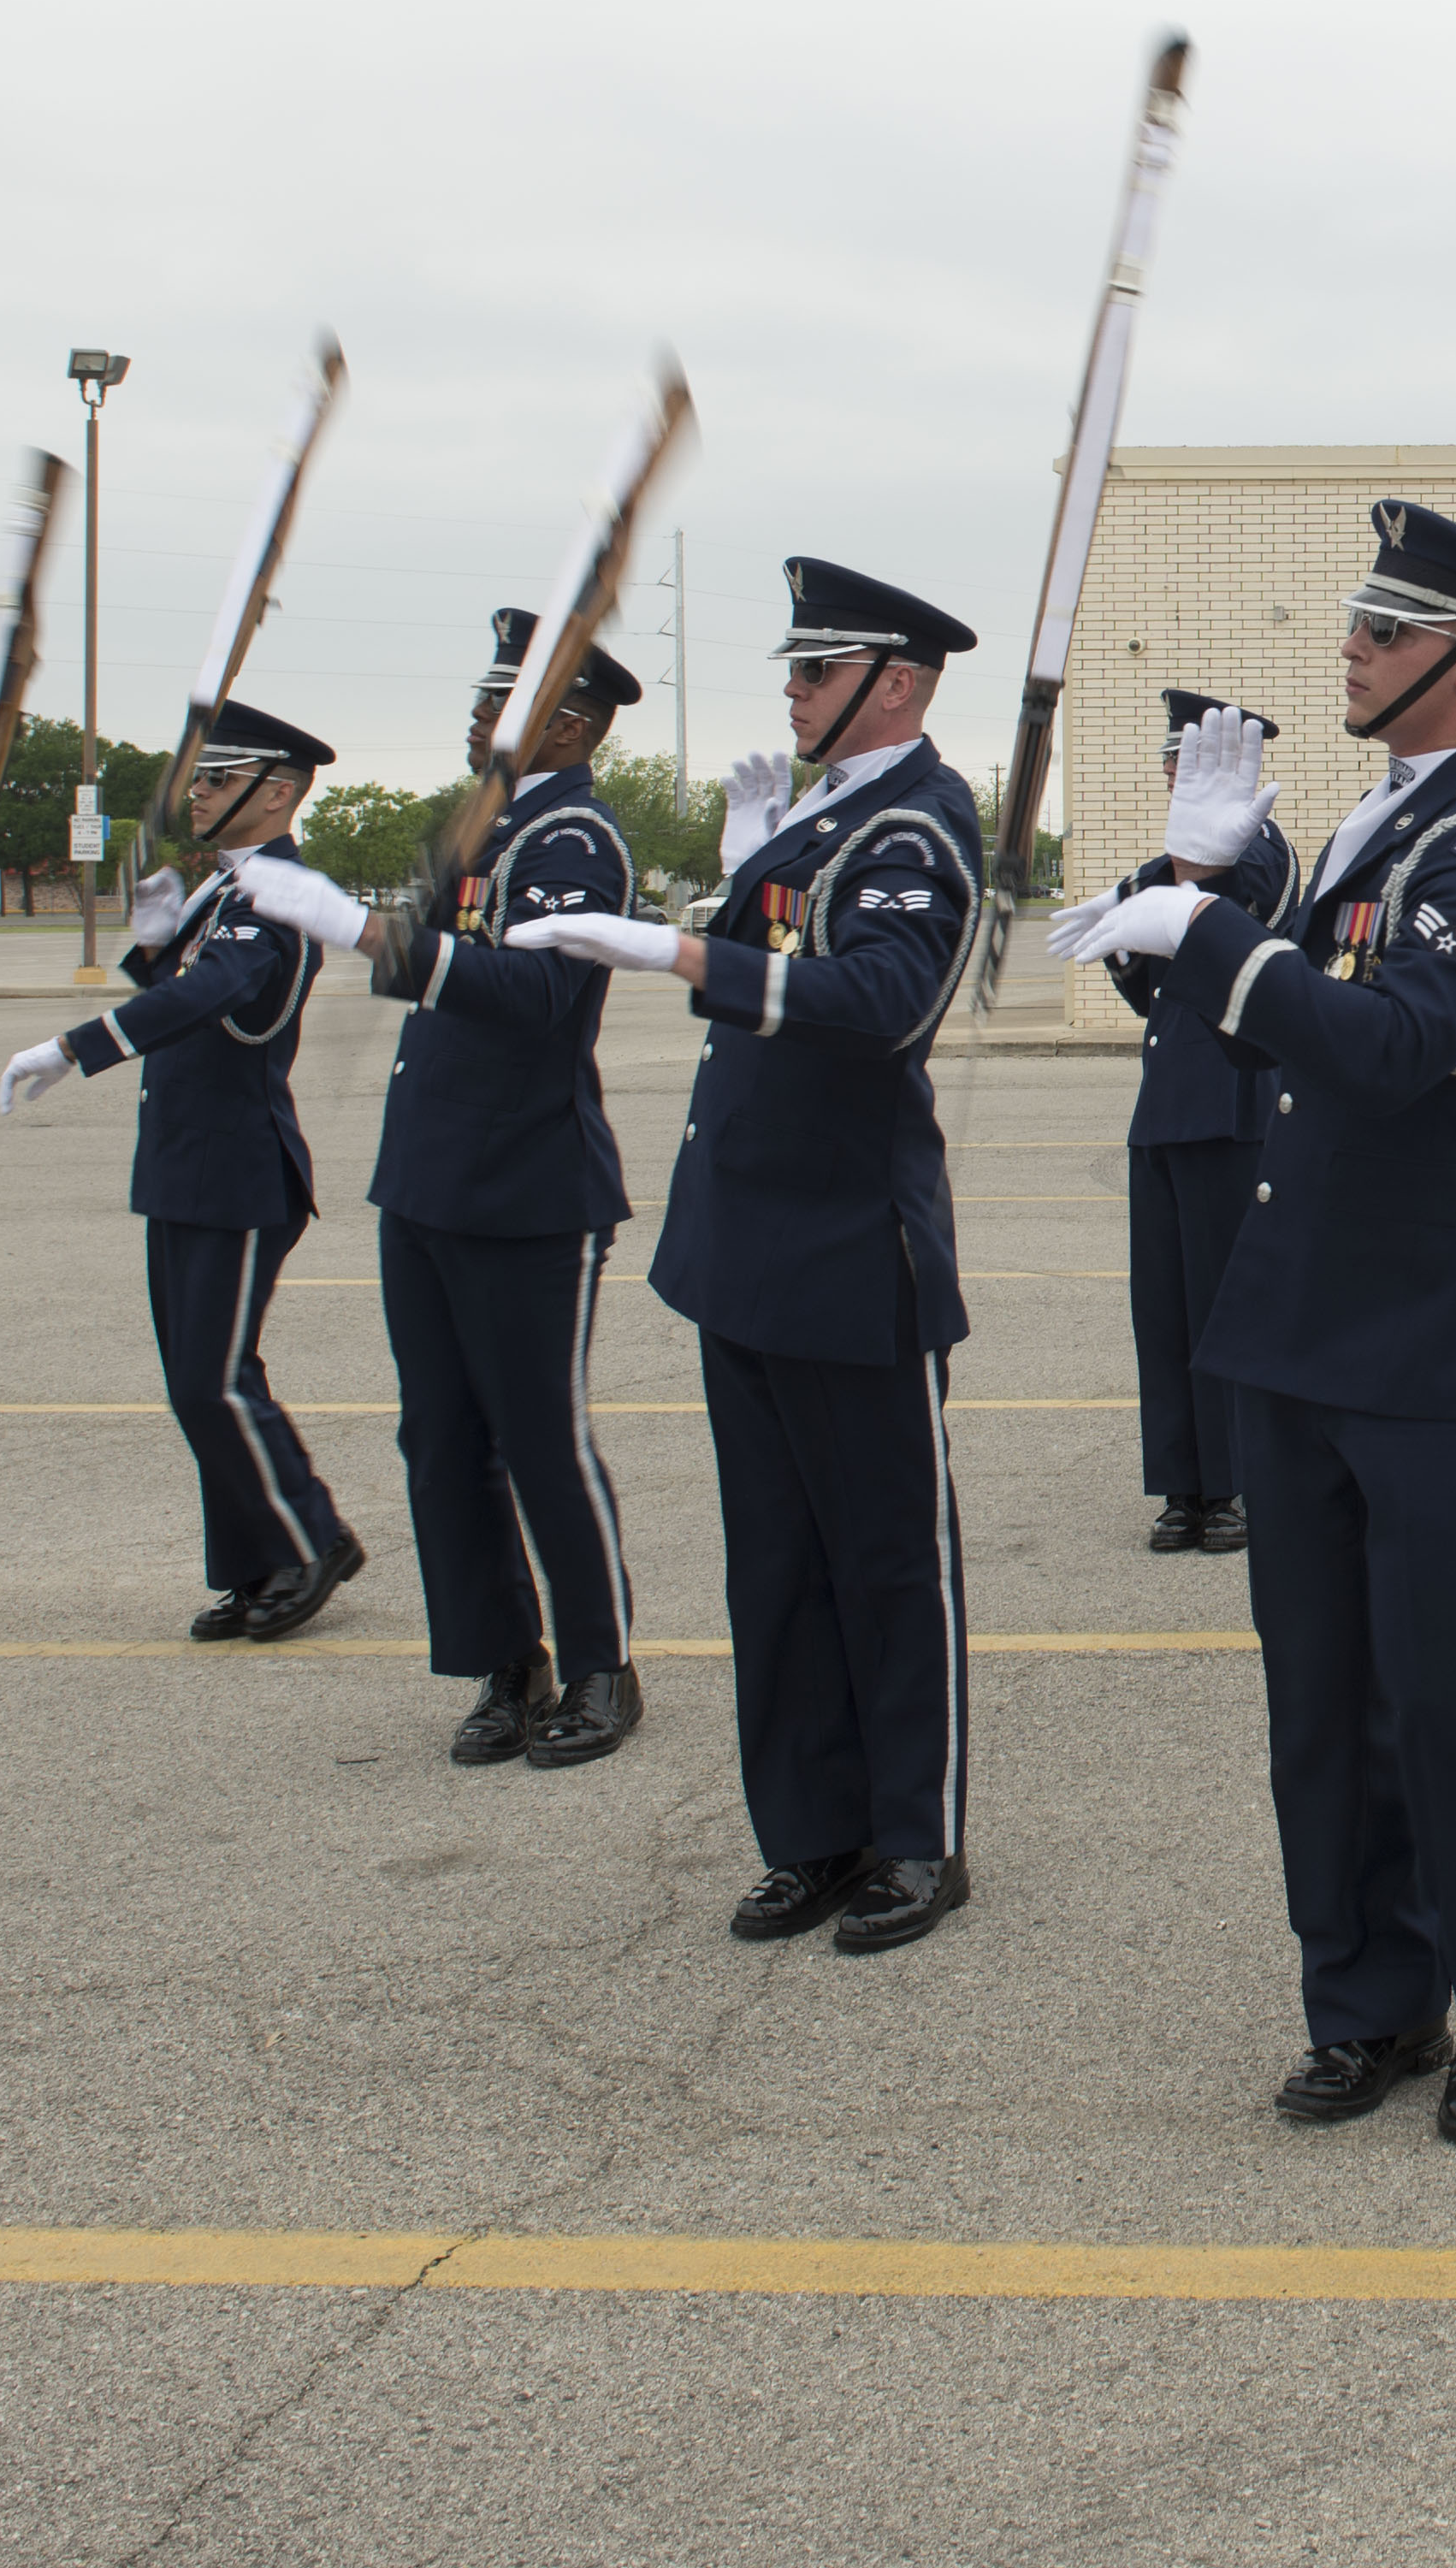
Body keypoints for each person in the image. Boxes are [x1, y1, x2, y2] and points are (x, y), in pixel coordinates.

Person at [1050, 500, 1456, 2145]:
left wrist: (1213, 934)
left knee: (1450, 1701)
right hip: (1295, 1335)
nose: (1345, 653)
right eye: (1355, 626)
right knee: (1317, 1704)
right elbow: (1246, 1020)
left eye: (1379, 632)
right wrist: (1187, 890)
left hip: (1433, 1348)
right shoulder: (1370, 825)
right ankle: (1362, 2001)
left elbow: (1397, 1045)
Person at [509, 557, 987, 1953]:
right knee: (773, 1565)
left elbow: (883, 1000)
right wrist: (732, 900)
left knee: (887, 1563)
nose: (790, 690)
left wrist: (683, 952)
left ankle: (917, 1833)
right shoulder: (816, 821)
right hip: (748, 1241)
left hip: (848, 1245)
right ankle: (812, 1831)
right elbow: (772, 960)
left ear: (890, 684)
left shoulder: (918, 824)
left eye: (815, 670)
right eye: (793, 668)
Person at [230, 610, 648, 1767]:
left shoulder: (573, 838)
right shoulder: (483, 827)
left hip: (526, 1184)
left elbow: (535, 996)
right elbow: (416, 978)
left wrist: (373, 932)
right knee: (441, 1438)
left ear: (566, 724)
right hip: (428, 1173)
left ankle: (601, 1662)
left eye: (501, 700)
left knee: (541, 1437)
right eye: (481, 694)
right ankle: (501, 1662)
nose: (475, 713)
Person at [0, 704, 363, 1642]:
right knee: (195, 1379)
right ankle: (251, 1564)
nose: (196, 791)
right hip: (188, 1163)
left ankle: (311, 1539)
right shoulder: (225, 889)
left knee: (217, 1378)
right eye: (200, 778)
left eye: (215, 777)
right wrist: (153, 942)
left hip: (240, 1166)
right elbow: (180, 986)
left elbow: (220, 994)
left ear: (273, 791)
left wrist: (77, 1046)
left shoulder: (281, 888)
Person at [1092, 689, 1299, 1557]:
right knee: (1165, 1309)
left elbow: (1252, 938)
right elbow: (1146, 980)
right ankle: (1183, 1482)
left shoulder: (1260, 853)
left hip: (1234, 1100)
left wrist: (1175, 892)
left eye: (1186, 760)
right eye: (1170, 761)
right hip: (1166, 1103)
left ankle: (1238, 1480)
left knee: (1225, 1303)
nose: (1172, 773)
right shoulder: (1160, 866)